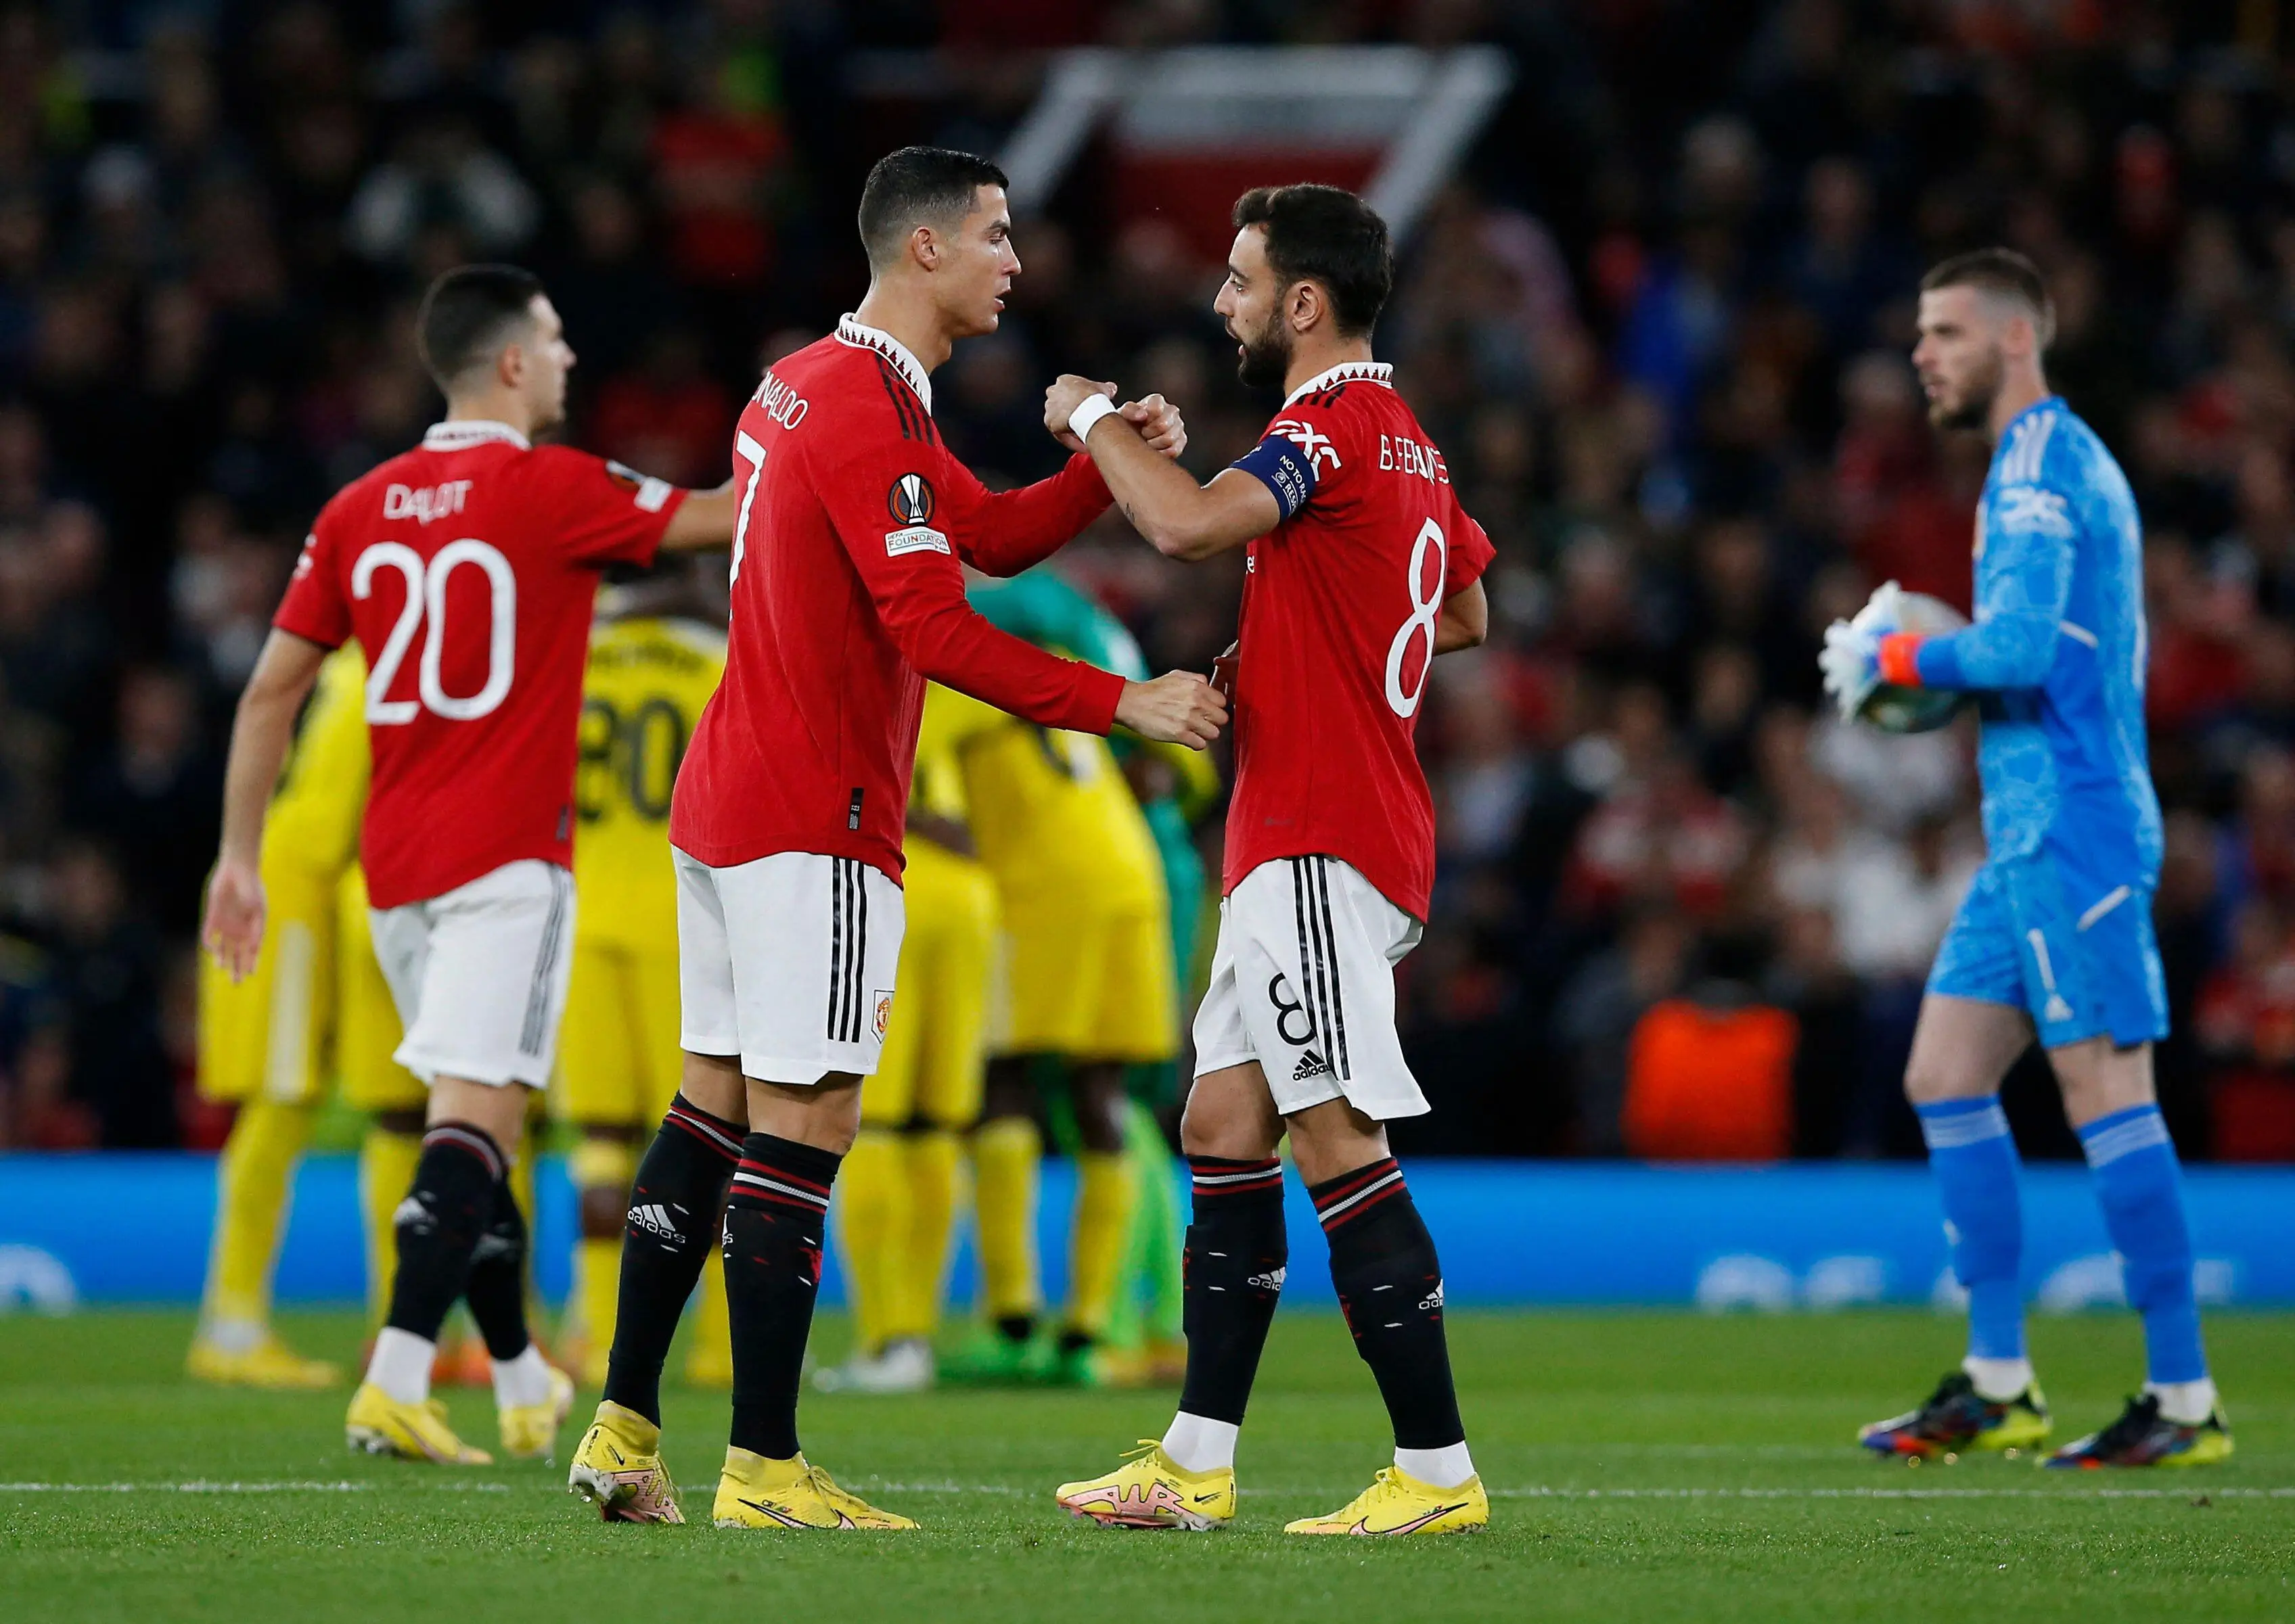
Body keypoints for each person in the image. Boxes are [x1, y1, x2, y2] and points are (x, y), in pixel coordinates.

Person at [562, 145, 1223, 1533]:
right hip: (816, 814)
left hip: (727, 798)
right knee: (809, 1124)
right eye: (994, 235)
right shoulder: (867, 406)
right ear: (922, 249)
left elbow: (973, 535)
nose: (1014, 261)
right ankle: (764, 1468)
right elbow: (930, 626)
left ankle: (624, 1425)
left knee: (709, 1108)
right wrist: (1127, 702)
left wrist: (1100, 466)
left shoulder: (808, 383)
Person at [202, 262, 738, 1466]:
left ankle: (510, 1373)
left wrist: (237, 858)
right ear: (508, 363)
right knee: (477, 1126)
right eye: (553, 341)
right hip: (505, 867)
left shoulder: (359, 505)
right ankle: (394, 1378)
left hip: (393, 874)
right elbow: (721, 517)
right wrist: (805, 433)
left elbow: (270, 691)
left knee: (476, 1129)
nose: (568, 359)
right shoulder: (553, 488)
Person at [1048, 183, 1495, 1536]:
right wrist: (1311, 645)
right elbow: (1462, 605)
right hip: (1314, 832)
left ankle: (1434, 1474)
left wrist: (1084, 422)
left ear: (1305, 301)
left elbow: (1181, 524)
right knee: (1221, 1127)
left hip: (1316, 836)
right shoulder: (1407, 439)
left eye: (1242, 281)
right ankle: (1192, 1460)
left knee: (1332, 1133)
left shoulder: (1330, 426)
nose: (1226, 302)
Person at [1821, 248, 2231, 1468]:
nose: (1921, 355)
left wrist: (1887, 665)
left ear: (2013, 339)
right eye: (1917, 332)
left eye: (1942, 332)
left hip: (2077, 829)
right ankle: (1999, 1380)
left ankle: (2186, 1397)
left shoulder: (2044, 468)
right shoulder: (2026, 466)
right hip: (2025, 840)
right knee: (1943, 1073)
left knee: (2109, 1095)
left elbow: (2015, 653)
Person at [936, 574, 1178, 1391]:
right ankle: (1087, 1334)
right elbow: (1150, 772)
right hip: (1130, 877)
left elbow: (916, 803)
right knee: (1098, 1091)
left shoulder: (947, 669)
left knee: (1001, 1084)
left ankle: (1012, 1323)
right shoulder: (1060, 658)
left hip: (1041, 889)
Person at [187, 646, 432, 1389]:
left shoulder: (345, 663)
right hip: (297, 892)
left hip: (308, 883)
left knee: (392, 1104)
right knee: (283, 1097)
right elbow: (328, 822)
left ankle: (395, 1328)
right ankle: (231, 1323)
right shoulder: (375, 673)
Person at [558, 562, 733, 1391]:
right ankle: (717, 1351)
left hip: (583, 914)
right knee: (710, 1141)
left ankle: (595, 1341)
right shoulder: (705, 654)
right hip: (677, 914)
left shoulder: (575, 658)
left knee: (598, 1144)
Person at [815, 680, 1004, 1395]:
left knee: (875, 1125)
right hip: (968, 898)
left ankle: (884, 1337)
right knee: (937, 1128)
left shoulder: (824, 675)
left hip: (884, 884)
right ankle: (914, 1338)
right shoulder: (941, 669)